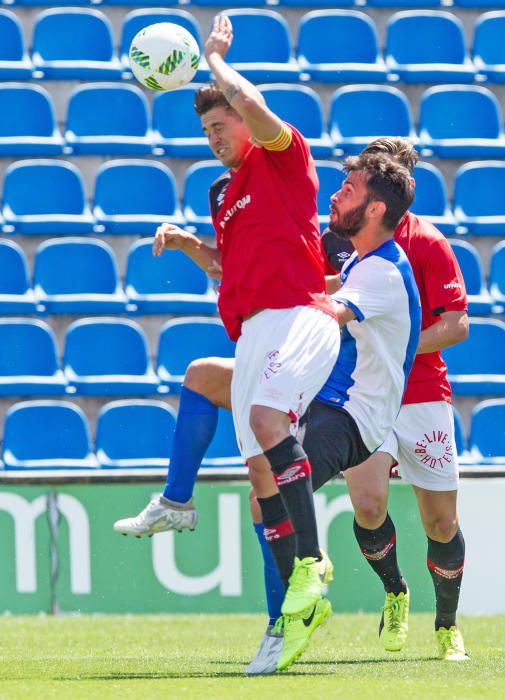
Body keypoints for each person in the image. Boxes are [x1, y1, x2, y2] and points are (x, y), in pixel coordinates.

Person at [115, 137, 468, 666]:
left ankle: (444, 624)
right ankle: (319, 600)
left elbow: (444, 323)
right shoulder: (347, 248)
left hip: (407, 394)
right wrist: (216, 259)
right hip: (340, 385)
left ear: (379, 204)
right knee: (338, 503)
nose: (334, 195)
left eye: (348, 188)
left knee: (440, 523)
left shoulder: (407, 254)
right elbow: (304, 285)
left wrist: (286, 321)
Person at [121, 12, 345, 641]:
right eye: (206, 130)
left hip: (297, 318)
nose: (213, 137)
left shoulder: (285, 157)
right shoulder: (225, 191)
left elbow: (251, 99)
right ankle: (284, 621)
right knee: (256, 476)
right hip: (252, 332)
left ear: (247, 121)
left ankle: (306, 566)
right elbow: (230, 267)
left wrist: (215, 60)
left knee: (267, 435)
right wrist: (190, 242)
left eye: (220, 125)